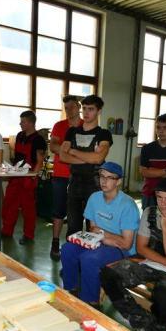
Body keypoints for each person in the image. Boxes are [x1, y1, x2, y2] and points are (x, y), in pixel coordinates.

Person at [100, 178, 166, 331]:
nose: (163, 203)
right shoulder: (150, 212)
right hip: (152, 262)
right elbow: (141, 247)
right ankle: (142, 321)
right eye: (159, 197)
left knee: (163, 297)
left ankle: (160, 324)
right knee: (108, 274)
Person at [60, 162, 140, 306]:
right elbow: (92, 229)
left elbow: (126, 244)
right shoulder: (94, 198)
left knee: (89, 258)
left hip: (122, 250)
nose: (104, 181)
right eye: (102, 176)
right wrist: (105, 237)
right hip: (101, 242)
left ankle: (91, 302)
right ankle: (71, 290)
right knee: (67, 249)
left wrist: (103, 235)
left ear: (119, 181)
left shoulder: (128, 205)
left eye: (110, 177)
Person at [60, 95, 113, 237]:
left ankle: (90, 258)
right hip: (74, 184)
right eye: (84, 108)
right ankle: (72, 257)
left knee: (94, 228)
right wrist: (88, 158)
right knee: (72, 227)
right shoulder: (72, 131)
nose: (86, 112)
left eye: (91, 109)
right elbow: (63, 156)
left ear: (99, 111)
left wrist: (73, 151)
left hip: (94, 185)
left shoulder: (104, 134)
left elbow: (99, 158)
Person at [1, 110, 46, 244]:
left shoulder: (39, 140)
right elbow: (16, 156)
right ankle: (7, 230)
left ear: (31, 123)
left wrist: (33, 177)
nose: (20, 124)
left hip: (28, 177)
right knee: (10, 204)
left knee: (28, 209)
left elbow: (39, 161)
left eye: (23, 121)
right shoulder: (20, 135)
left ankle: (28, 235)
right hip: (16, 175)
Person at [49, 95, 83, 260]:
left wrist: (65, 151)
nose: (69, 110)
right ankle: (55, 242)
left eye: (72, 107)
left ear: (78, 107)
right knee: (58, 211)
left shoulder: (87, 126)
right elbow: (53, 146)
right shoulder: (59, 126)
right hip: (61, 175)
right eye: (66, 108)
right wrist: (73, 152)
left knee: (78, 213)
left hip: (81, 177)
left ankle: (74, 246)